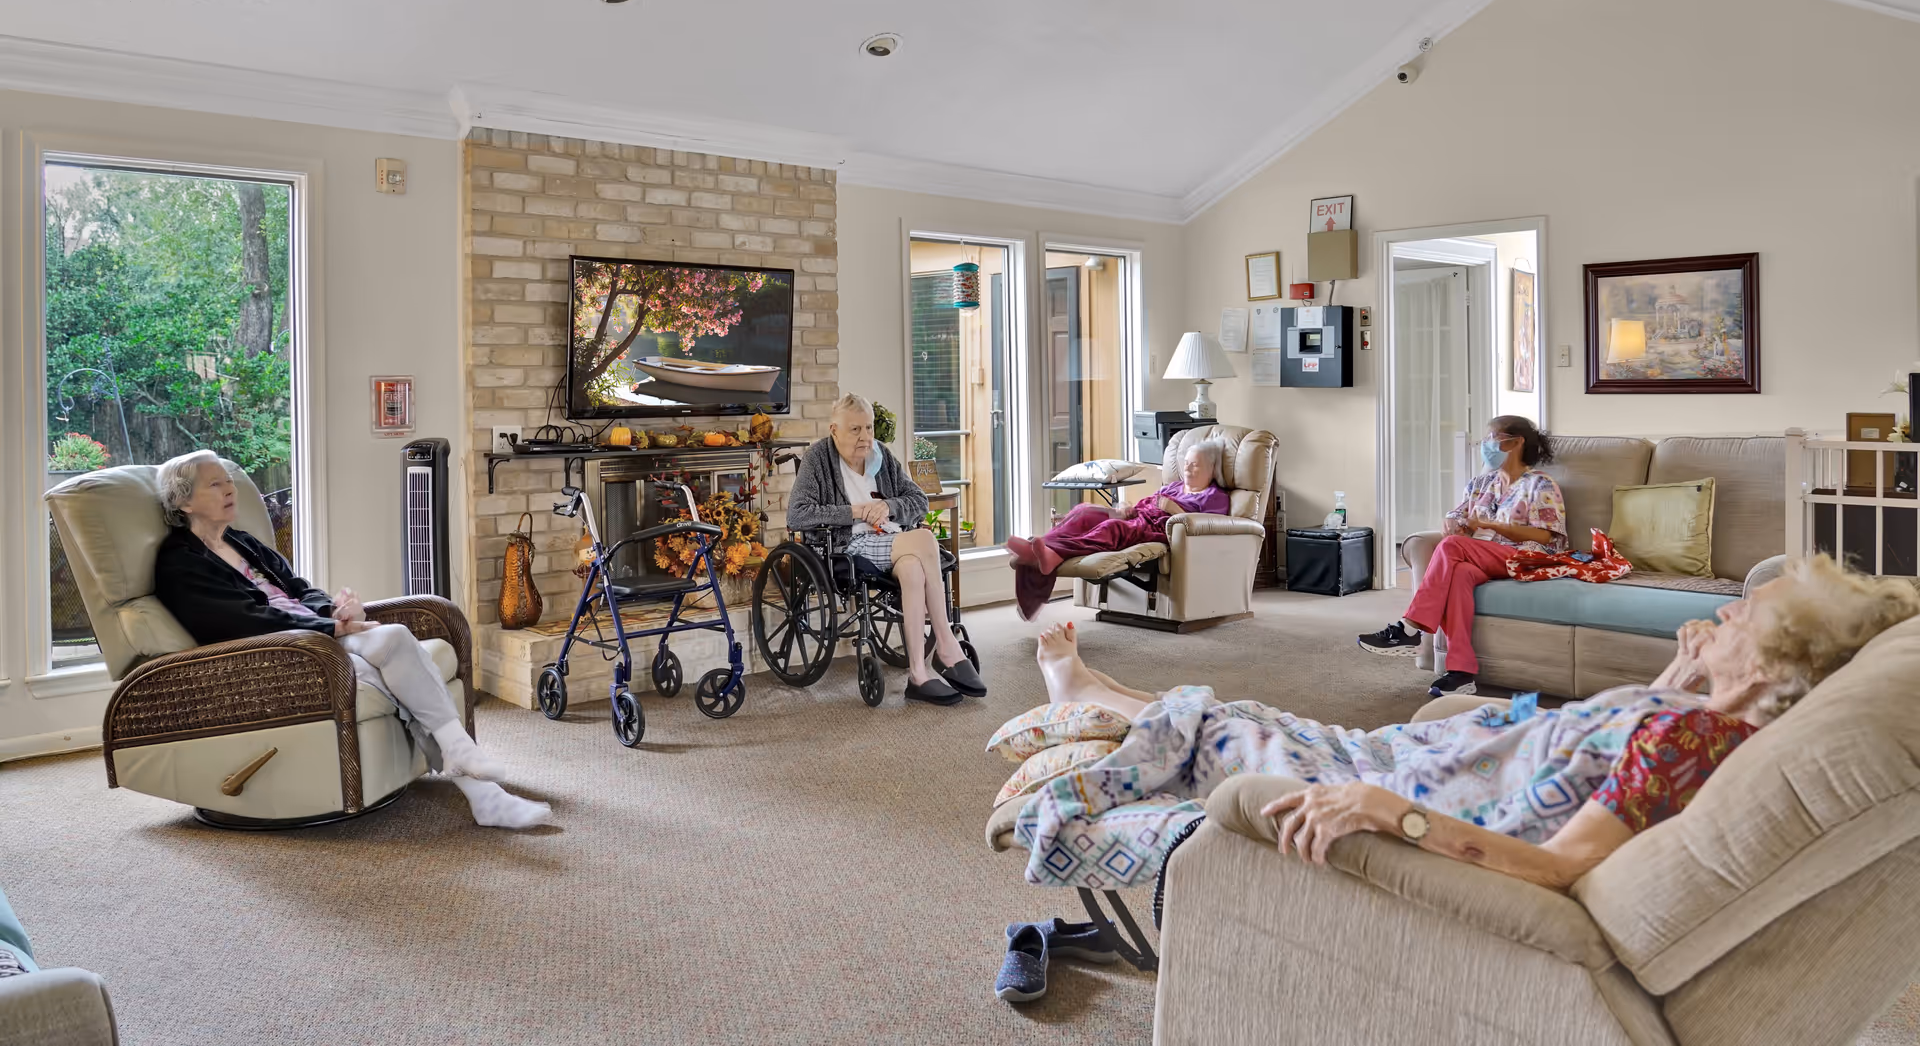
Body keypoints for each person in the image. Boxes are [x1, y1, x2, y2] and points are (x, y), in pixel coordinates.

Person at [1010, 555, 1915, 895]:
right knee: (1261, 714)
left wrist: (1386, 810)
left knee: (1237, 734)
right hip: (1448, 754)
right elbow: (1620, 742)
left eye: (1743, 618)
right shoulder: (1704, 723)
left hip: (1425, 797)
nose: (1723, 613)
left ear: (1768, 666)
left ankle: (1081, 688)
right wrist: (1679, 680)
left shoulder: (1692, 745)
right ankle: (1096, 686)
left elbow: (1562, 867)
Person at [151, 451, 552, 830]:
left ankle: (464, 759)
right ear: (184, 502)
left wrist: (333, 612)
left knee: (394, 635)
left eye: (229, 482)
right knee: (371, 670)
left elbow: (298, 587)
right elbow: (234, 622)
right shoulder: (180, 561)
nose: (229, 490)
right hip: (278, 651)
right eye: (215, 485)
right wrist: (329, 629)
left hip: (313, 633)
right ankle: (482, 792)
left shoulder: (242, 541)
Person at [786, 393, 986, 705]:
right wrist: (854, 511)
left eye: (868, 428)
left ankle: (918, 674)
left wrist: (888, 506)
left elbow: (918, 500)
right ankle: (947, 643)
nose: (865, 437)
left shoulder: (881, 457)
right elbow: (798, 515)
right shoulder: (817, 459)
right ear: (834, 430)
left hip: (891, 539)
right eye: (855, 430)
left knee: (913, 567)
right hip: (847, 545)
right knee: (924, 540)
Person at [1358, 414, 1568, 696]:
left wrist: (1488, 524)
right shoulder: (1481, 484)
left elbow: (1547, 537)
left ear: (1516, 442)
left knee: (1452, 546)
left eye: (1491, 438)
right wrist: (1452, 522)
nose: (1485, 445)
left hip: (1526, 557)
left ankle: (1409, 628)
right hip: (1482, 557)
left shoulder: (1540, 485)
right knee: (1459, 573)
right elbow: (1458, 515)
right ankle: (1461, 672)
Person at [1005, 439, 1230, 620]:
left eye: (1196, 464)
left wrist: (1175, 508)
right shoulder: (1173, 486)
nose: (1188, 469)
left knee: (1111, 528)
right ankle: (1040, 549)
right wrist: (1125, 506)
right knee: (1085, 511)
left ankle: (1050, 555)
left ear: (1211, 469)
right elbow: (1147, 501)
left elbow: (1205, 526)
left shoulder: (1215, 497)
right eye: (1187, 463)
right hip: (1137, 516)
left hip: (1155, 529)